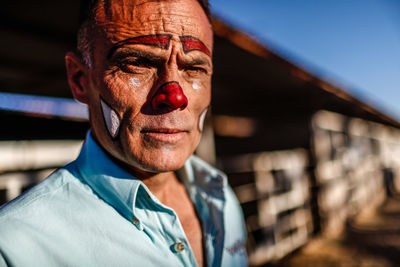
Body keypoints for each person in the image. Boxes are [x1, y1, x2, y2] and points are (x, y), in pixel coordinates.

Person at [0, 0, 247, 266]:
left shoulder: (220, 197)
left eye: (195, 68)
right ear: (80, 80)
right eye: (137, 63)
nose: (175, 96)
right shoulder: (15, 246)